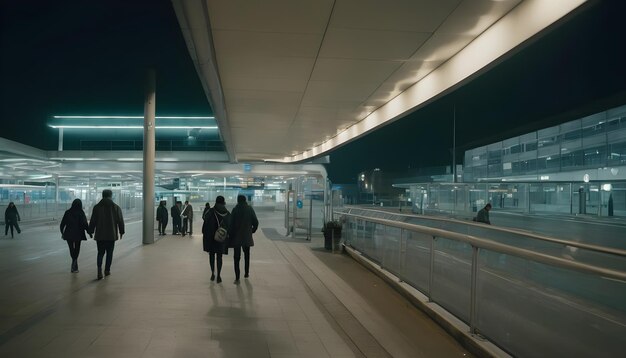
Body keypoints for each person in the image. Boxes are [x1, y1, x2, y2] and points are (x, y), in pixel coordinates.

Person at [89, 189, 125, 280]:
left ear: (102, 195)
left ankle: (99, 271)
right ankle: (107, 270)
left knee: (100, 253)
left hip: (100, 235)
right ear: (111, 195)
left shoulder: (96, 207)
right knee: (109, 253)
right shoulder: (116, 207)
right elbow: (120, 220)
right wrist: (121, 231)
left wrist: (91, 231)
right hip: (111, 235)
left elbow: (93, 220)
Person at [228, 195, 258, 284]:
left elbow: (230, 224)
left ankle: (237, 277)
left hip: (236, 237)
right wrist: (252, 231)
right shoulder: (249, 209)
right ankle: (246, 273)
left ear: (237, 200)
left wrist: (230, 234)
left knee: (236, 258)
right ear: (245, 200)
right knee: (247, 255)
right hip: (246, 237)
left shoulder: (235, 210)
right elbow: (255, 222)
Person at [202, 196, 229, 283]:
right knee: (219, 257)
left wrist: (205, 234)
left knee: (212, 256)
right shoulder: (227, 213)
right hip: (221, 238)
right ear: (223, 202)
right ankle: (219, 275)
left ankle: (212, 273)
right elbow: (230, 225)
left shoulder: (210, 211)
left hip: (211, 238)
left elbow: (205, 224)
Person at [60, 199, 91, 273]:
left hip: (68, 234)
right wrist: (89, 232)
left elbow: (62, 224)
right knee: (77, 249)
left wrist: (62, 233)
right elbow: (84, 224)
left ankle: (74, 263)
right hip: (78, 234)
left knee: (71, 249)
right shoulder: (81, 213)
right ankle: (74, 264)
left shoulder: (67, 212)